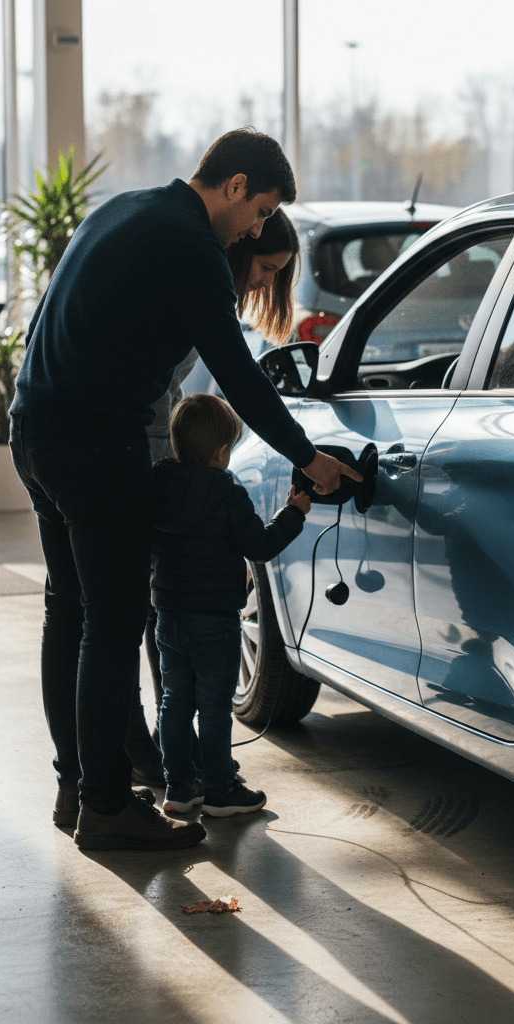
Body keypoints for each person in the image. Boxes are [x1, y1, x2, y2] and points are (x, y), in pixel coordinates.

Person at [9, 128, 360, 852]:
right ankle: (107, 808)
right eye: (260, 211)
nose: (258, 227)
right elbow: (237, 370)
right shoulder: (192, 244)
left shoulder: (127, 208)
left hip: (34, 427)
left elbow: (48, 318)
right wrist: (307, 456)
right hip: (96, 442)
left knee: (69, 612)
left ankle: (75, 785)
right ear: (234, 187)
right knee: (112, 619)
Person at [125, 207, 302, 783]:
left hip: (151, 437)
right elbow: (240, 381)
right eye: (267, 267)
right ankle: (199, 772)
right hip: (138, 433)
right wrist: (303, 472)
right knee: (122, 622)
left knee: (165, 660)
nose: (266, 284)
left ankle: (166, 765)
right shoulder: (204, 285)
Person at [152, 393, 310, 816]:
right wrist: (293, 512)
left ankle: (180, 788)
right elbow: (258, 546)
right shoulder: (227, 494)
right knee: (215, 708)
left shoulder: (157, 485)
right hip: (215, 621)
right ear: (222, 452)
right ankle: (221, 788)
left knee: (174, 702)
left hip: (167, 616)